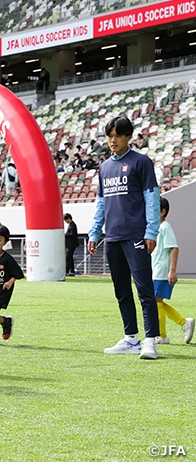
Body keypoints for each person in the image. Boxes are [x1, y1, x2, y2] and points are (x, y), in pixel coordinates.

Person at [88, 116, 161, 360]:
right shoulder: (104, 167)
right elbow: (101, 202)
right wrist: (94, 232)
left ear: (128, 137)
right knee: (121, 290)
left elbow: (152, 198)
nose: (113, 140)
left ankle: (150, 341)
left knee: (144, 289)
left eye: (118, 135)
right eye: (110, 135)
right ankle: (131, 338)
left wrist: (151, 231)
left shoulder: (141, 162)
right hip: (113, 238)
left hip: (136, 235)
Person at [153, 197, 194, 345]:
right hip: (155, 270)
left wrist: (172, 270)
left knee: (156, 301)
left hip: (162, 271)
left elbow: (174, 248)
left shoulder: (165, 227)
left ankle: (163, 336)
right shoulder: (156, 227)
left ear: (163, 212)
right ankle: (183, 322)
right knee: (155, 301)